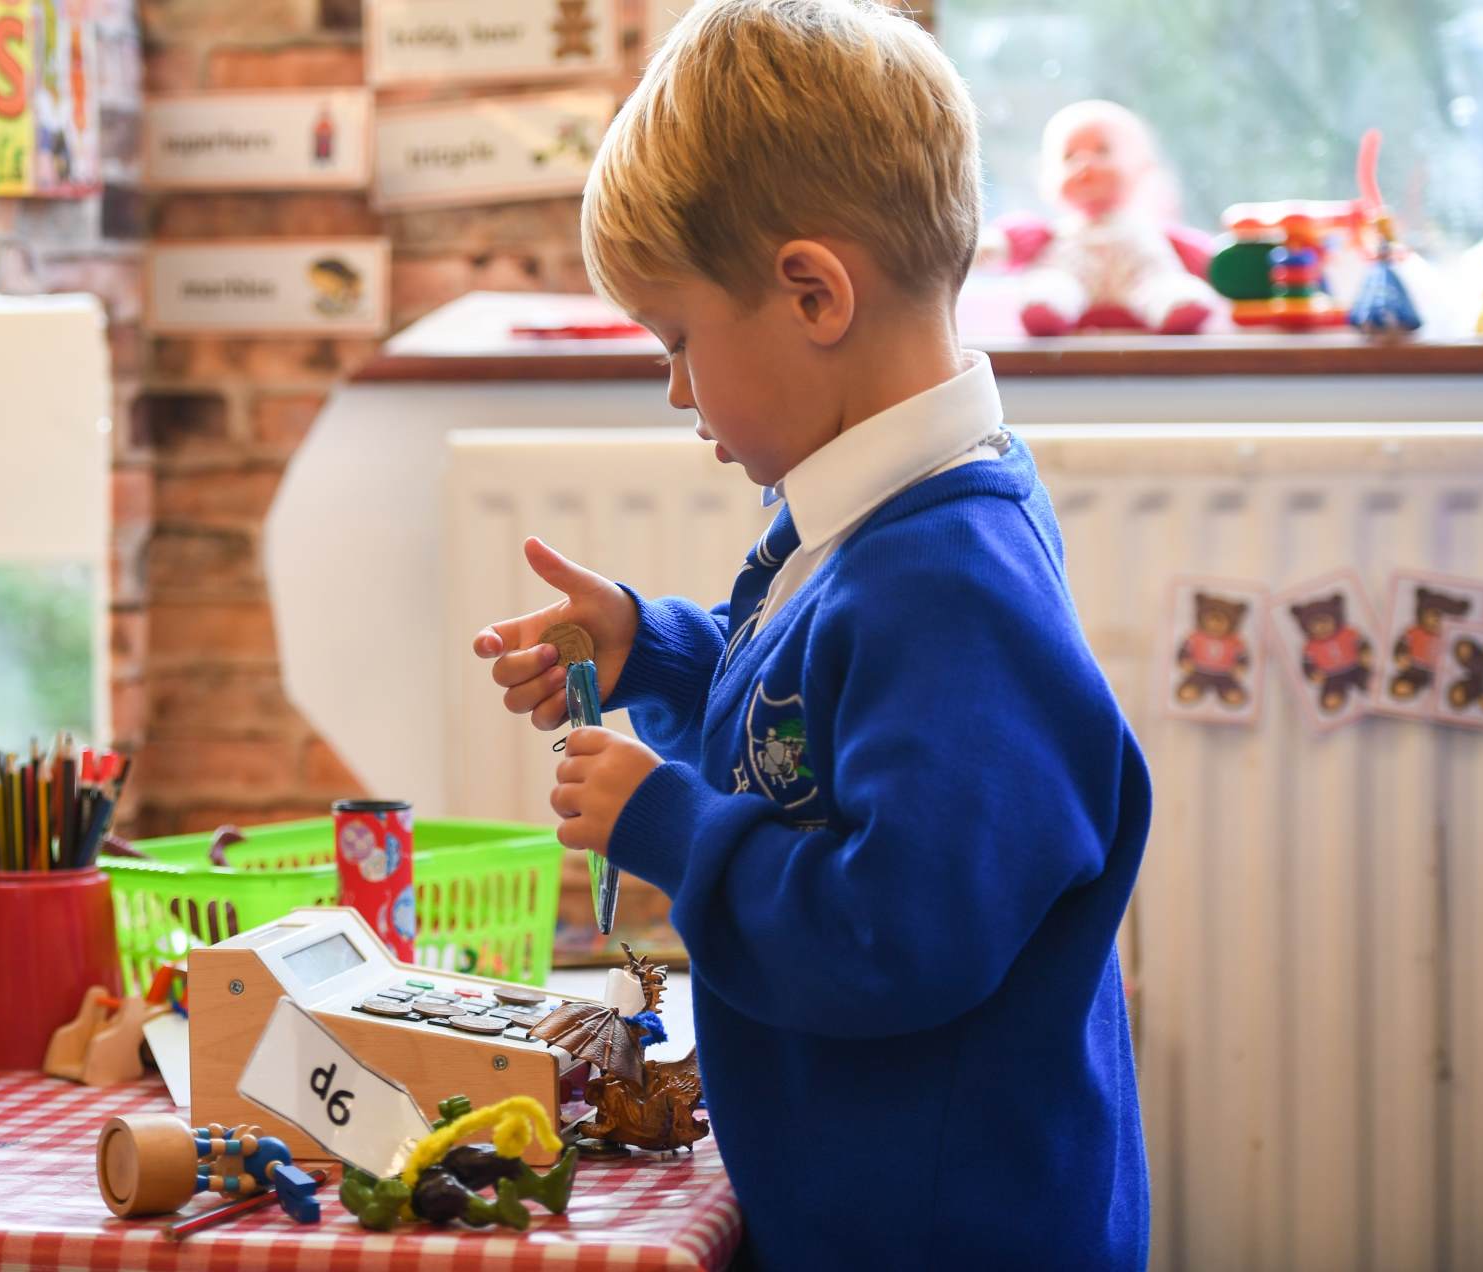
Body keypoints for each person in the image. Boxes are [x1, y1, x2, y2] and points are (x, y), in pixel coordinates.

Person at [471, 2, 1153, 1266]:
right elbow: (804, 724)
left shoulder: (953, 584)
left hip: (950, 1232)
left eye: (679, 340)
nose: (675, 388)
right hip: (870, 1204)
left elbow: (896, 937)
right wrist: (653, 649)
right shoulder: (876, 518)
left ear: (811, 293)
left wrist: (666, 824)